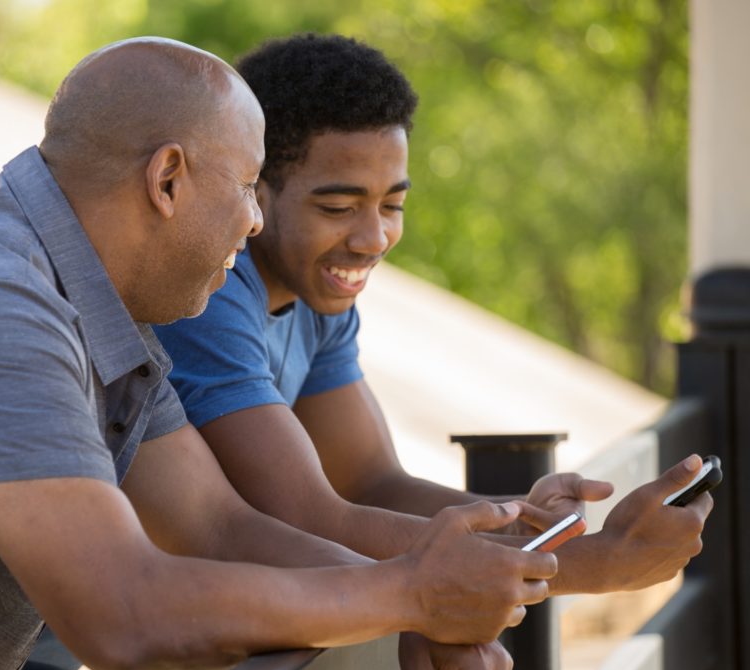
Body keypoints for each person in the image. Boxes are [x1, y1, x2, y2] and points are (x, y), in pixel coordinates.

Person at [0, 38, 558, 670]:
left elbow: (218, 527)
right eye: (246, 187)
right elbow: (123, 616)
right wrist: (408, 594)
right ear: (168, 179)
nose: (255, 225)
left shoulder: (97, 309)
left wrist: (421, 604)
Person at [153, 29, 712, 630]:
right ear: (254, 190)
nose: (372, 240)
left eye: (392, 205)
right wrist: (586, 564)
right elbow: (307, 515)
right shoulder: (208, 293)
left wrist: (519, 520)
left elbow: (373, 484)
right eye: (337, 209)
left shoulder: (319, 293)